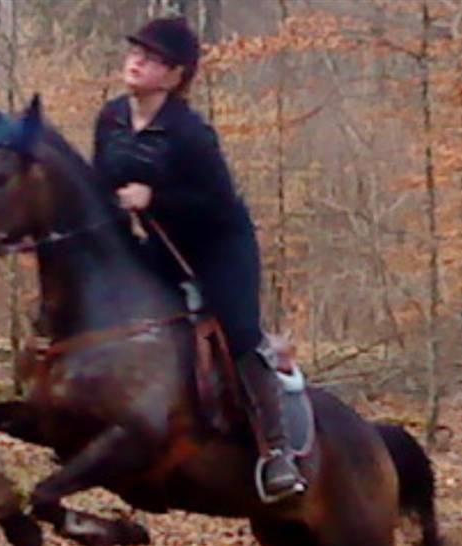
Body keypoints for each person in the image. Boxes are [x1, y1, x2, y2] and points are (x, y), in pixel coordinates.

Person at [92, 16, 306, 503]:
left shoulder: (191, 133)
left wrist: (156, 197)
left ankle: (277, 452)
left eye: (153, 58)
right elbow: (100, 186)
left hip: (218, 247)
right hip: (160, 246)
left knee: (238, 329)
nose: (137, 60)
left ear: (175, 76)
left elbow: (216, 204)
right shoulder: (111, 119)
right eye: (135, 51)